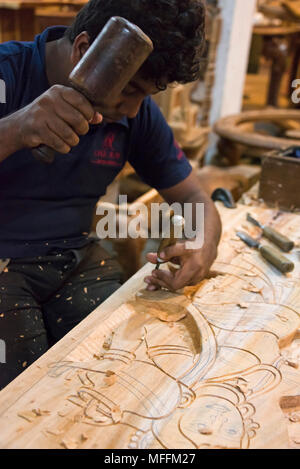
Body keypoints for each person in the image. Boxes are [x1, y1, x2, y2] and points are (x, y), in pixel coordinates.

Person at [0, 0, 221, 389]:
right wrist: (16, 129)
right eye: (130, 90)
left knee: (124, 367)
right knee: (29, 393)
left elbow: (196, 200)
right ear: (85, 51)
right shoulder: (7, 72)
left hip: (75, 257)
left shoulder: (136, 113)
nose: (134, 110)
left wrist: (203, 243)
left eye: (146, 94)